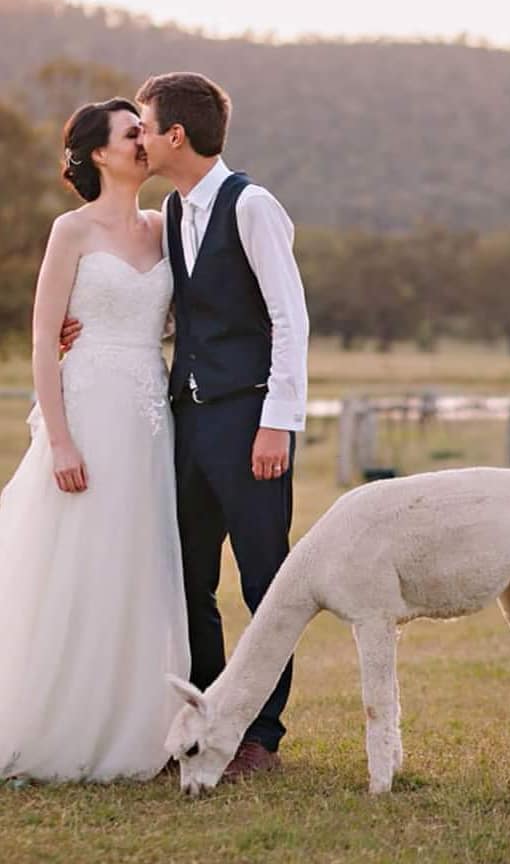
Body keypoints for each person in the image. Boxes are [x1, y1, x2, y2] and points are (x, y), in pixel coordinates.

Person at [0, 98, 190, 781]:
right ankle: (57, 722)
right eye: (131, 132)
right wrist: (60, 441)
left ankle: (137, 723)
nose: (144, 139)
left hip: (147, 414)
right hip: (85, 409)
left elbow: (170, 319)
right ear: (99, 154)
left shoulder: (166, 227)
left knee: (136, 560)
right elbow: (43, 341)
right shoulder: (71, 230)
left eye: (144, 129)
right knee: (77, 560)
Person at [134, 72, 309, 779]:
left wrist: (277, 423)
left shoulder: (253, 206)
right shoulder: (174, 213)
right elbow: (191, 312)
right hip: (187, 420)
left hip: (249, 419)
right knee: (189, 579)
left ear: (176, 135)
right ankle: (208, 718)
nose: (140, 138)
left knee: (265, 581)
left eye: (144, 126)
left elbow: (288, 318)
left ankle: (260, 734)